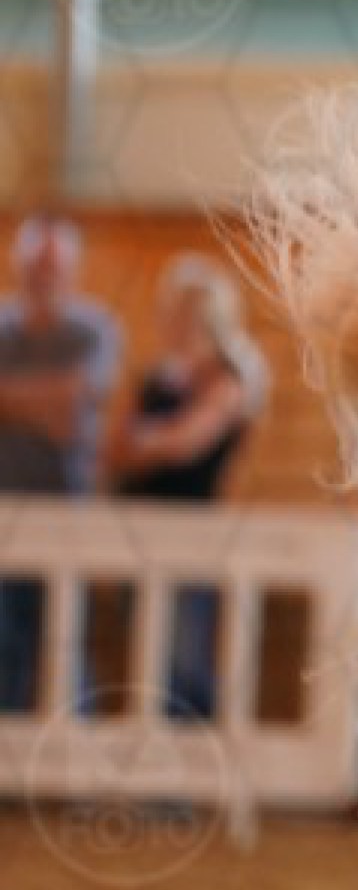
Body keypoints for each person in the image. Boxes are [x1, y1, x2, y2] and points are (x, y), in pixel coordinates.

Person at [106, 253, 268, 720]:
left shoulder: (229, 378)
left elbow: (185, 443)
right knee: (144, 658)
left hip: (192, 535)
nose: (174, 321)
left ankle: (194, 754)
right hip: (137, 529)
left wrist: (147, 441)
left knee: (184, 661)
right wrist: (146, 443)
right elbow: (115, 447)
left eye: (184, 311)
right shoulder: (158, 377)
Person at [0, 215, 123, 711]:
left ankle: (71, 755)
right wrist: (49, 404)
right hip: (4, 518)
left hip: (67, 514)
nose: (44, 275)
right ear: (18, 265)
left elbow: (78, 405)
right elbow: (64, 404)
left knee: (64, 648)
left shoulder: (93, 329)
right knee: (5, 647)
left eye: (53, 265)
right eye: (36, 264)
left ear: (72, 269)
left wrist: (11, 402)